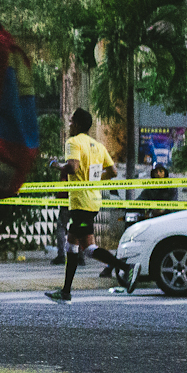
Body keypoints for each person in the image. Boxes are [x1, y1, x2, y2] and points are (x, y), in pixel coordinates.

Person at [46, 109, 138, 303]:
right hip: (93, 201)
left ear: (78, 124)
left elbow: (72, 167)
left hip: (80, 203)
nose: (69, 125)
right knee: (74, 246)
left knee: (86, 248)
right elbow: (112, 171)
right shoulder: (98, 145)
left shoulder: (73, 142)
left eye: (71, 122)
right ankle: (65, 292)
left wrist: (56, 166)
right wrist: (93, 179)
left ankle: (126, 268)